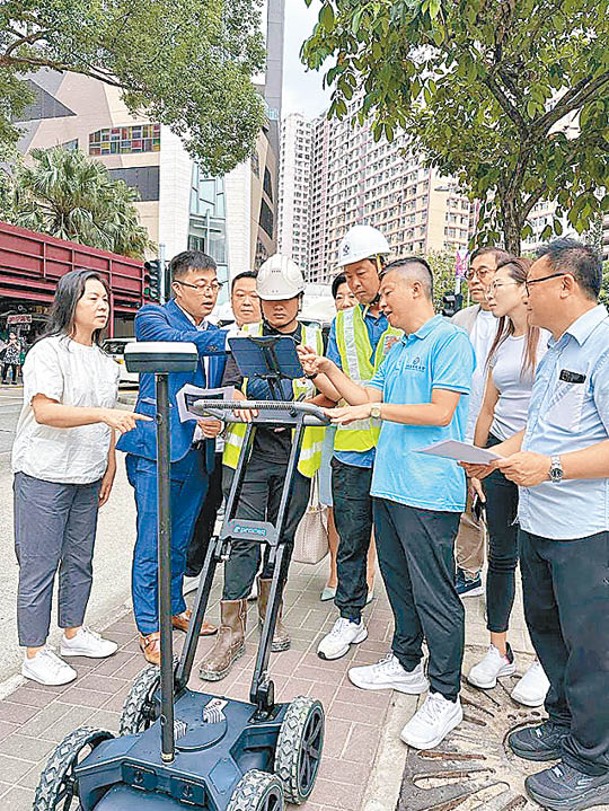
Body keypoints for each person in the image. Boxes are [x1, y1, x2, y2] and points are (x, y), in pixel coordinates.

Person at [300, 258, 475, 750]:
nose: (381, 301)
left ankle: (445, 695)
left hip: (429, 488)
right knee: (399, 584)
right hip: (389, 484)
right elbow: (365, 394)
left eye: (389, 291)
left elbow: (441, 411)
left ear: (417, 289)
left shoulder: (448, 341)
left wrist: (373, 408)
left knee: (435, 593)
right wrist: (329, 368)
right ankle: (405, 663)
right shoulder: (399, 348)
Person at [467, 239, 609, 811]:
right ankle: (565, 722)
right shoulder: (552, 349)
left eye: (533, 283)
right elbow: (545, 429)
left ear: (565, 286)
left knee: (592, 645)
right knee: (546, 628)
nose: (525, 293)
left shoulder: (602, 345)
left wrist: (549, 467)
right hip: (541, 519)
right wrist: (498, 454)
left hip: (586, 529)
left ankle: (595, 758)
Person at [12, 269, 145, 686]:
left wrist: (109, 463)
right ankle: (34, 652)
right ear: (70, 303)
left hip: (86, 475)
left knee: (79, 561)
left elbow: (108, 423)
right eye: (93, 299)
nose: (103, 306)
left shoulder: (107, 364)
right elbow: (46, 411)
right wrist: (104, 415)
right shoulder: (48, 353)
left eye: (106, 299)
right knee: (39, 565)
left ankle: (72, 633)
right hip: (44, 474)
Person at [199, 254, 325, 682]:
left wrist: (310, 401)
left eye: (285, 299)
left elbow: (332, 393)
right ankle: (231, 631)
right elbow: (232, 388)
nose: (277, 307)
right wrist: (236, 401)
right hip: (249, 457)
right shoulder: (245, 337)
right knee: (242, 538)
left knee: (281, 540)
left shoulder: (316, 340)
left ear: (299, 299)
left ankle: (273, 614)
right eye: (270, 300)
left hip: (294, 457)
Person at [117, 250, 228, 665]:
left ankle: (174, 608)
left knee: (180, 539)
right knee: (152, 541)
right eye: (200, 285)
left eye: (214, 285)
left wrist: (219, 418)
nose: (210, 293)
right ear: (177, 288)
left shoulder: (214, 330)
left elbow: (217, 389)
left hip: (198, 451)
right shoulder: (154, 318)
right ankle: (148, 627)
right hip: (157, 452)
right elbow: (177, 347)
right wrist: (225, 338)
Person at [313, 225, 402, 662]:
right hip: (350, 448)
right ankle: (350, 617)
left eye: (362, 273)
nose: (355, 283)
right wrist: (317, 373)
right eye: (349, 276)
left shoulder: (406, 318)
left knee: (397, 545)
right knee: (350, 539)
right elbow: (334, 380)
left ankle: (406, 635)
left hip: (395, 449)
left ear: (382, 266)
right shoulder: (342, 322)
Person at [465, 256, 550, 707]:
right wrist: (477, 461)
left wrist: (496, 458)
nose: (490, 291)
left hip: (532, 458)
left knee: (536, 560)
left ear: (525, 289)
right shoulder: (501, 342)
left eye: (499, 284)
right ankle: (499, 648)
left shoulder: (552, 343)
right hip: (497, 456)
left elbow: (545, 417)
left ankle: (544, 660)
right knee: (499, 555)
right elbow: (486, 408)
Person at [184, 270, 261, 581]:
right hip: (214, 443)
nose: (245, 301)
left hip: (257, 448)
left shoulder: (274, 339)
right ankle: (194, 572)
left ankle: (247, 574)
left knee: (247, 513)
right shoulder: (218, 337)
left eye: (253, 295)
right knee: (204, 510)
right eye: (239, 295)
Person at [451, 247, 510, 597]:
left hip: (503, 435)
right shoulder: (461, 320)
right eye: (471, 272)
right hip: (465, 425)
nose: (474, 279)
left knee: (498, 514)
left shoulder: (523, 322)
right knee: (465, 508)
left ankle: (499, 590)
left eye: (484, 272)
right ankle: (470, 571)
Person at [319, 272, 376, 603]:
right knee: (341, 514)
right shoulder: (339, 328)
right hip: (346, 436)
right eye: (340, 294)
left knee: (374, 521)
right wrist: (328, 379)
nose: (347, 298)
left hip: (387, 437)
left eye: (352, 292)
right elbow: (329, 380)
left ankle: (368, 576)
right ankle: (339, 578)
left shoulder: (394, 325)